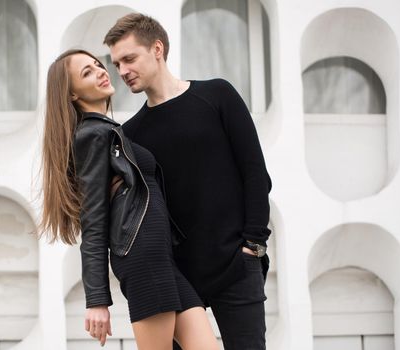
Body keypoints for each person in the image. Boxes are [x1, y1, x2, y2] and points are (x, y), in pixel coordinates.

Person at [104, 13, 272, 350]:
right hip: (177, 277)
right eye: (116, 63)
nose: (122, 71)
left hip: (236, 264)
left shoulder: (217, 95)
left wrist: (252, 246)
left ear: (157, 48)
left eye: (129, 58)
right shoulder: (132, 134)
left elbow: (255, 172)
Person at [38, 49, 219, 350]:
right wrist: (96, 300)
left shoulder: (111, 132)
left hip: (162, 258)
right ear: (70, 94)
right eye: (87, 72)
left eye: (97, 64)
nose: (100, 70)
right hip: (143, 258)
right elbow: (93, 222)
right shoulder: (93, 136)